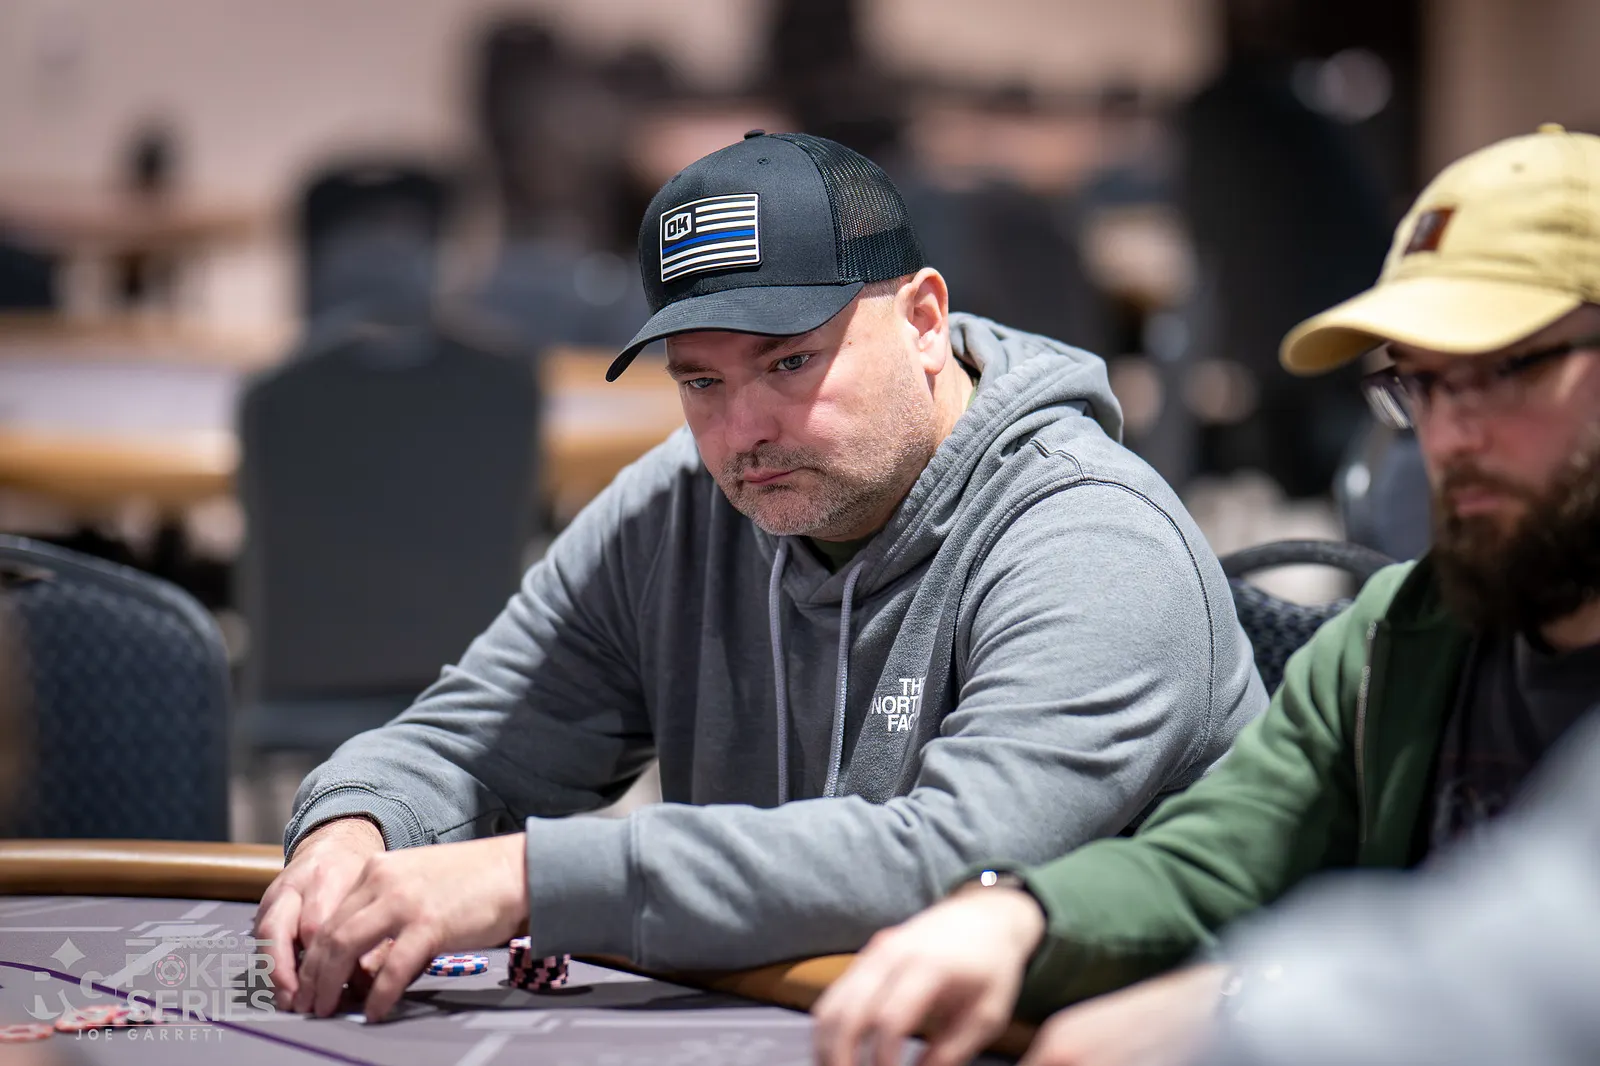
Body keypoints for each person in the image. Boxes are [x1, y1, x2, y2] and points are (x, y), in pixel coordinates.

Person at [255, 131, 1263, 1024]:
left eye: (789, 363)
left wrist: (532, 877)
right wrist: (354, 824)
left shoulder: (1092, 538)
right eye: (701, 380)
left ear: (922, 320)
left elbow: (952, 859)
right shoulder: (677, 509)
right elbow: (467, 741)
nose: (743, 432)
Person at [814, 122, 1600, 1066]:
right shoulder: (1399, 635)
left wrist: (1243, 1000)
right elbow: (1212, 859)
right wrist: (1018, 915)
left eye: (1505, 371)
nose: (1450, 436)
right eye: (1422, 385)